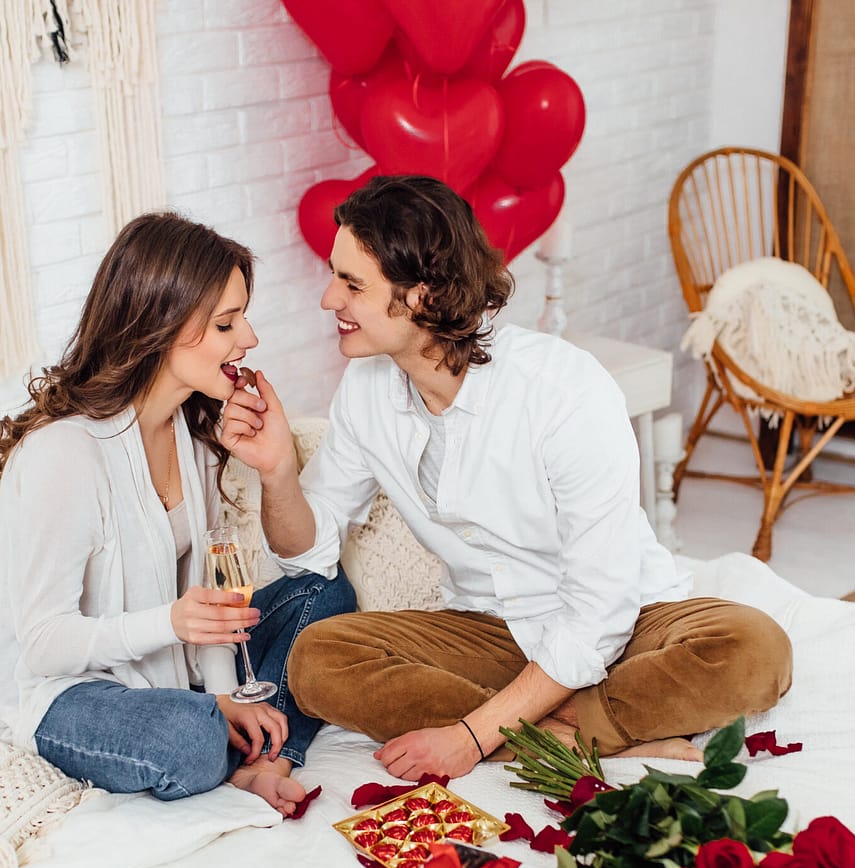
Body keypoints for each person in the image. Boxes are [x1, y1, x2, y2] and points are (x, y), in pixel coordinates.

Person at [219, 175, 791, 781]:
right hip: (489, 631)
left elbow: (600, 612)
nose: (329, 299)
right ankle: (587, 738)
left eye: (351, 283)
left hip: (628, 624)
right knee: (318, 660)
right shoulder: (365, 389)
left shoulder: (563, 389)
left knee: (754, 650)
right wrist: (278, 471)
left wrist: (469, 737)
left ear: (423, 296)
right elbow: (307, 555)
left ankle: (525, 732)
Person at [0, 212, 356, 815]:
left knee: (324, 592)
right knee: (188, 739)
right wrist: (175, 626)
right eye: (226, 323)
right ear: (163, 325)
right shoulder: (64, 453)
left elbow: (214, 613)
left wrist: (226, 699)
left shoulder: (189, 435)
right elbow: (42, 644)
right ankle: (230, 741)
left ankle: (261, 758)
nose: (249, 338)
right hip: (67, 695)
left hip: (173, 674)